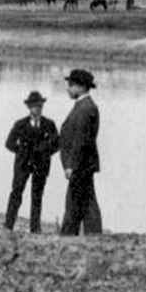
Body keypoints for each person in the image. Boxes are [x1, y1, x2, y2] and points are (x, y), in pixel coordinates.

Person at [4, 91, 59, 233]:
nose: (38, 108)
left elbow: (57, 144)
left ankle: (35, 228)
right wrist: (23, 153)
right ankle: (8, 224)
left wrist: (45, 154)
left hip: (41, 165)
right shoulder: (20, 124)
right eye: (34, 106)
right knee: (16, 192)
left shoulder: (49, 124)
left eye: (40, 105)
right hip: (23, 164)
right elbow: (9, 144)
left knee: (37, 196)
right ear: (29, 107)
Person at [58, 69, 102, 236]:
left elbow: (81, 141)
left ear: (82, 87)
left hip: (81, 165)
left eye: (71, 85)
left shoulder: (86, 108)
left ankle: (69, 235)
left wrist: (71, 166)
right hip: (83, 164)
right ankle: (92, 234)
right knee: (85, 201)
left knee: (76, 203)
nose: (68, 88)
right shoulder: (83, 106)